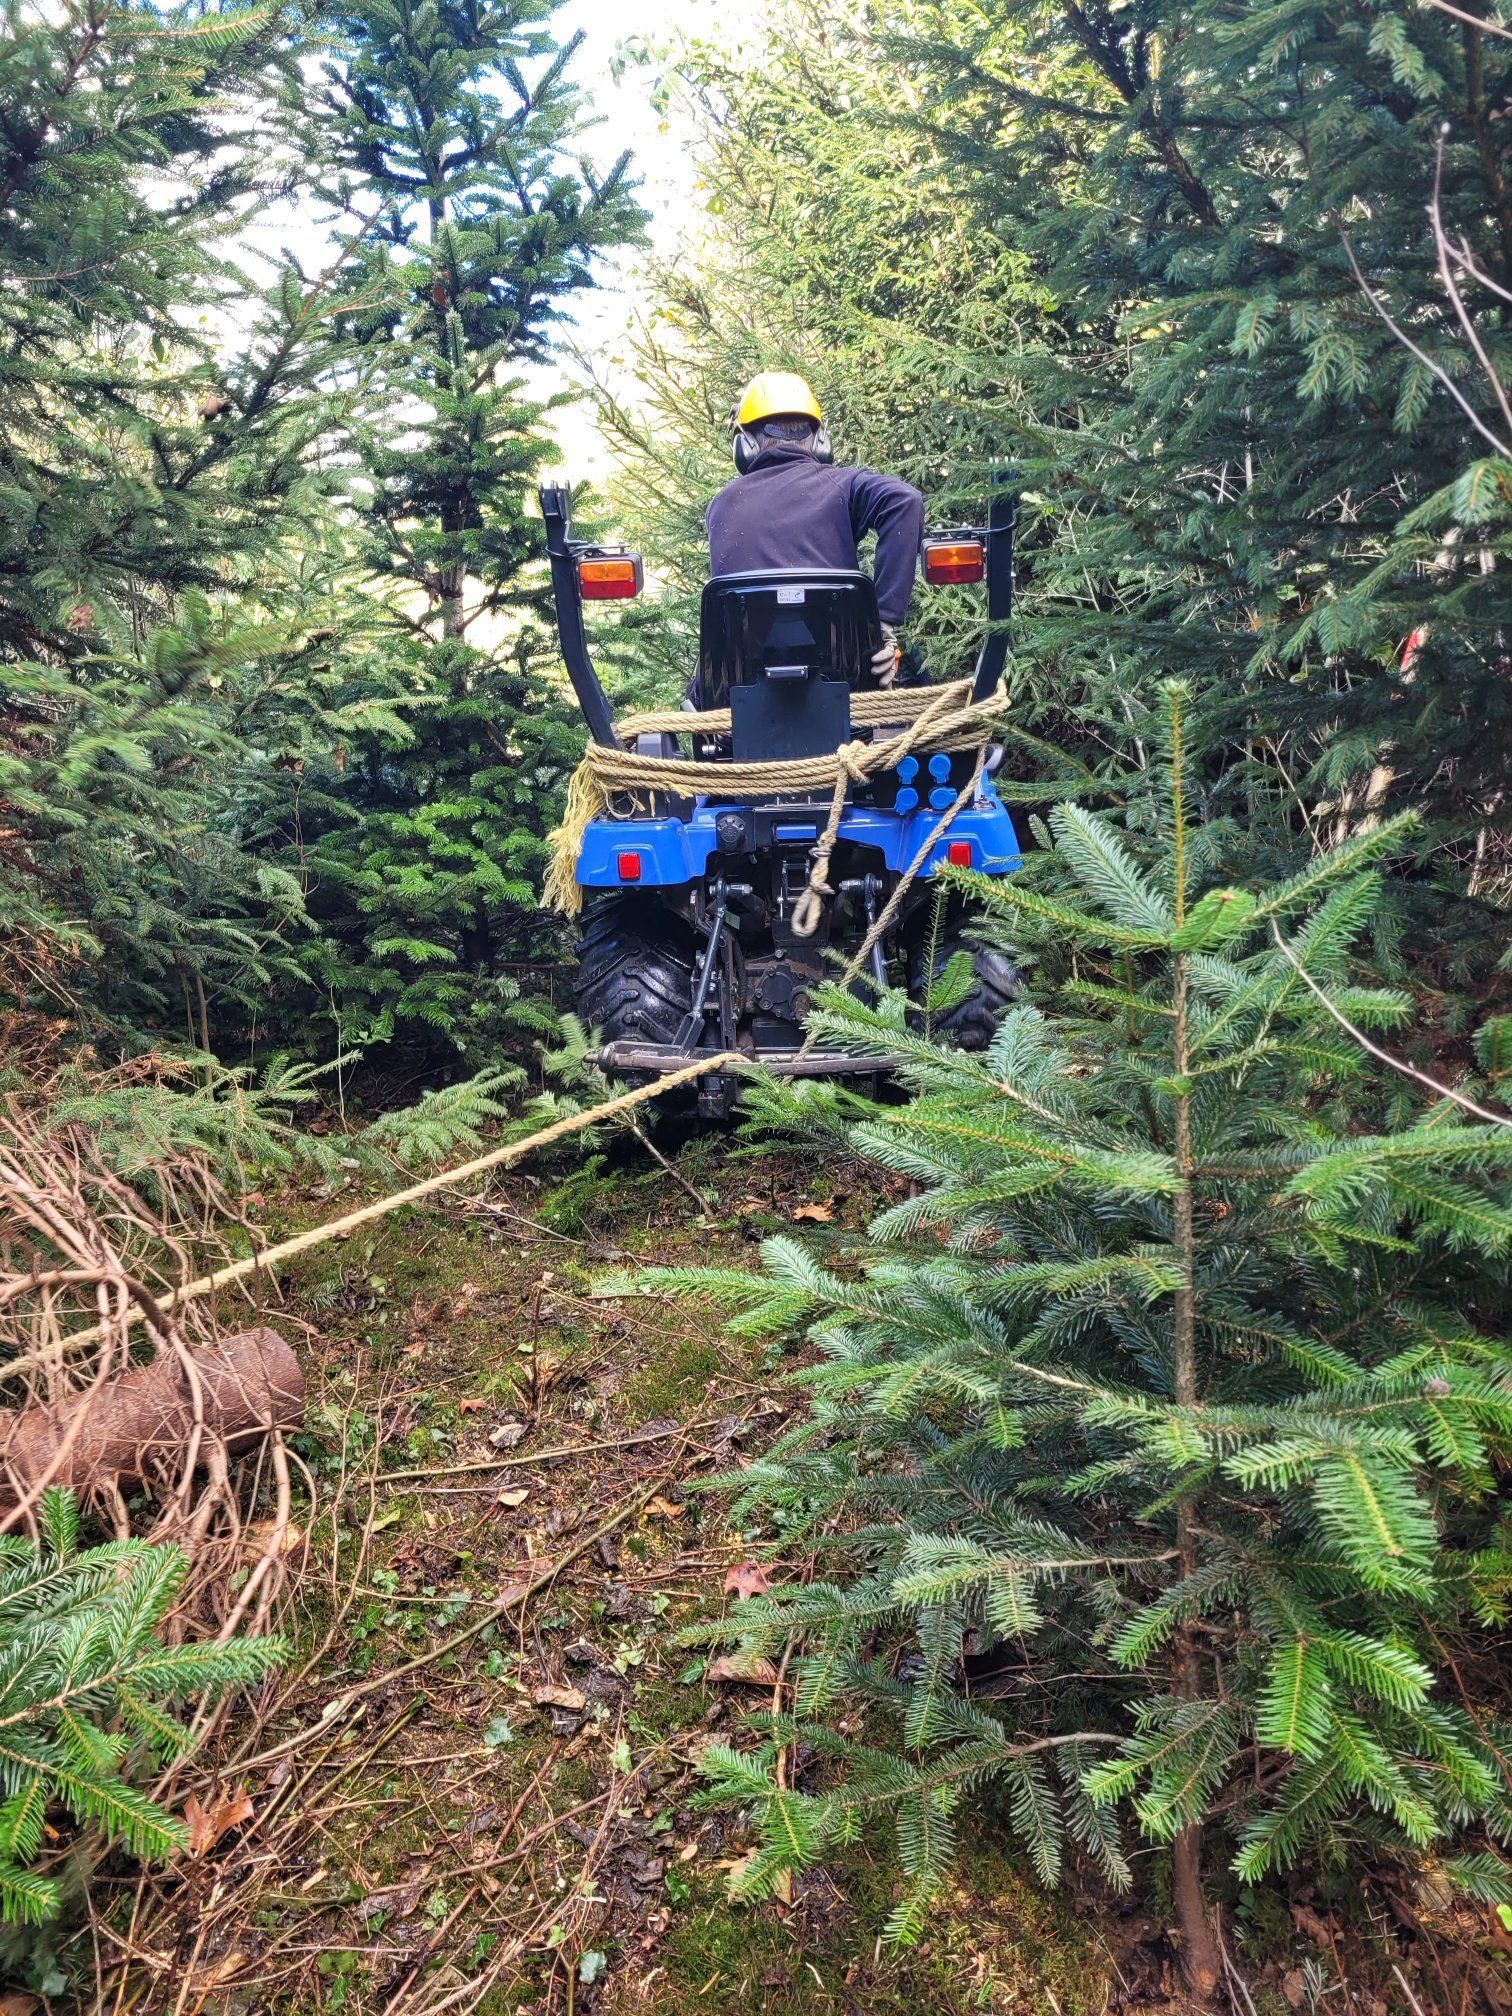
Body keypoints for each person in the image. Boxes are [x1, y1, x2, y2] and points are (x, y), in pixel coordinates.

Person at [706, 372, 924, 686]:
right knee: (917, 672)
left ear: (747, 445)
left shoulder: (721, 504)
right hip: (847, 689)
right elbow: (906, 500)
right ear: (821, 440)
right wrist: (884, 622)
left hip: (740, 695)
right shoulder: (844, 485)